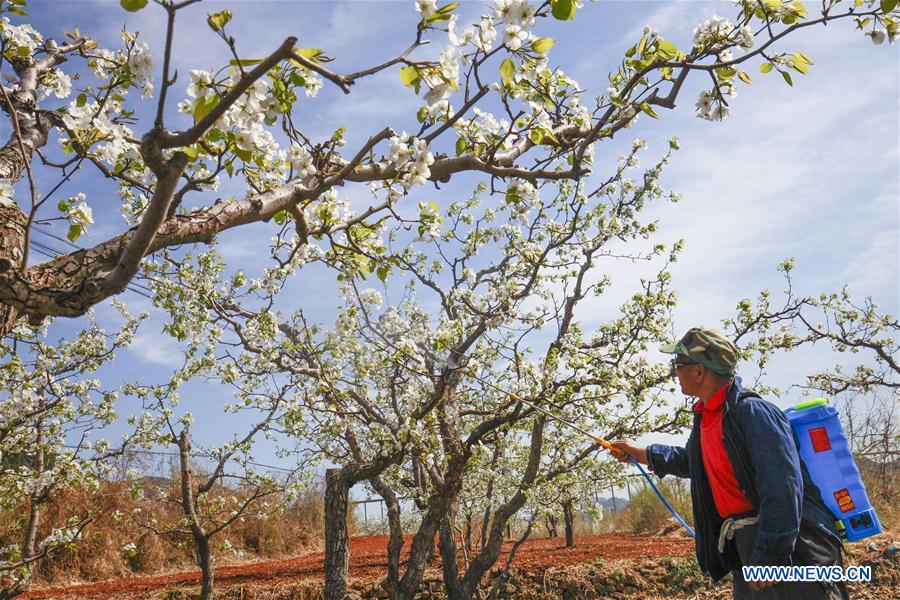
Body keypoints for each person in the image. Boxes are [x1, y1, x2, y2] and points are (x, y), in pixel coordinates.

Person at [611, 327, 848, 599]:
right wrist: (640, 453)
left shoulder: (752, 413)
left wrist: (770, 556)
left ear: (699, 372)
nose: (675, 372)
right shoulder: (708, 417)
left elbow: (783, 488)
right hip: (748, 543)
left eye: (678, 365)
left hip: (794, 548)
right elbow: (694, 461)